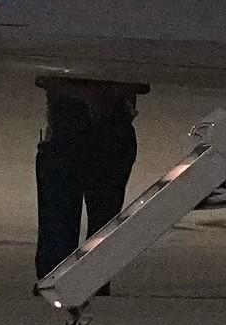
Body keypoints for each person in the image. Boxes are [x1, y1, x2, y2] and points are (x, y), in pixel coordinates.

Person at [34, 77, 146, 286]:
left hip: (79, 125)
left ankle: (59, 285)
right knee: (100, 223)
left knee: (61, 225)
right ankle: (86, 286)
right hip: (105, 124)